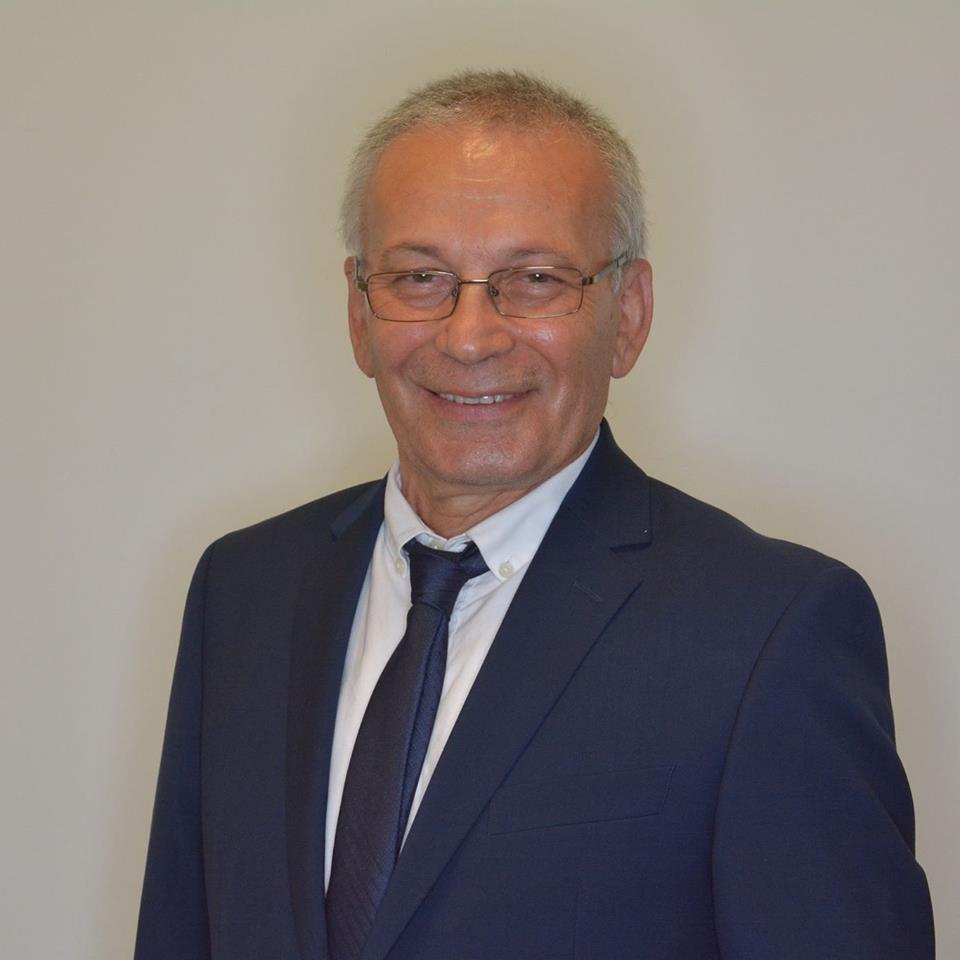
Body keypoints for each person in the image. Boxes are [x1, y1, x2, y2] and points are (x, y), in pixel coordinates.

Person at [134, 70, 934, 960]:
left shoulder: (768, 635)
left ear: (628, 317)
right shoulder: (242, 592)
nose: (470, 336)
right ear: (359, 313)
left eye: (536, 279)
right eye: (420, 277)